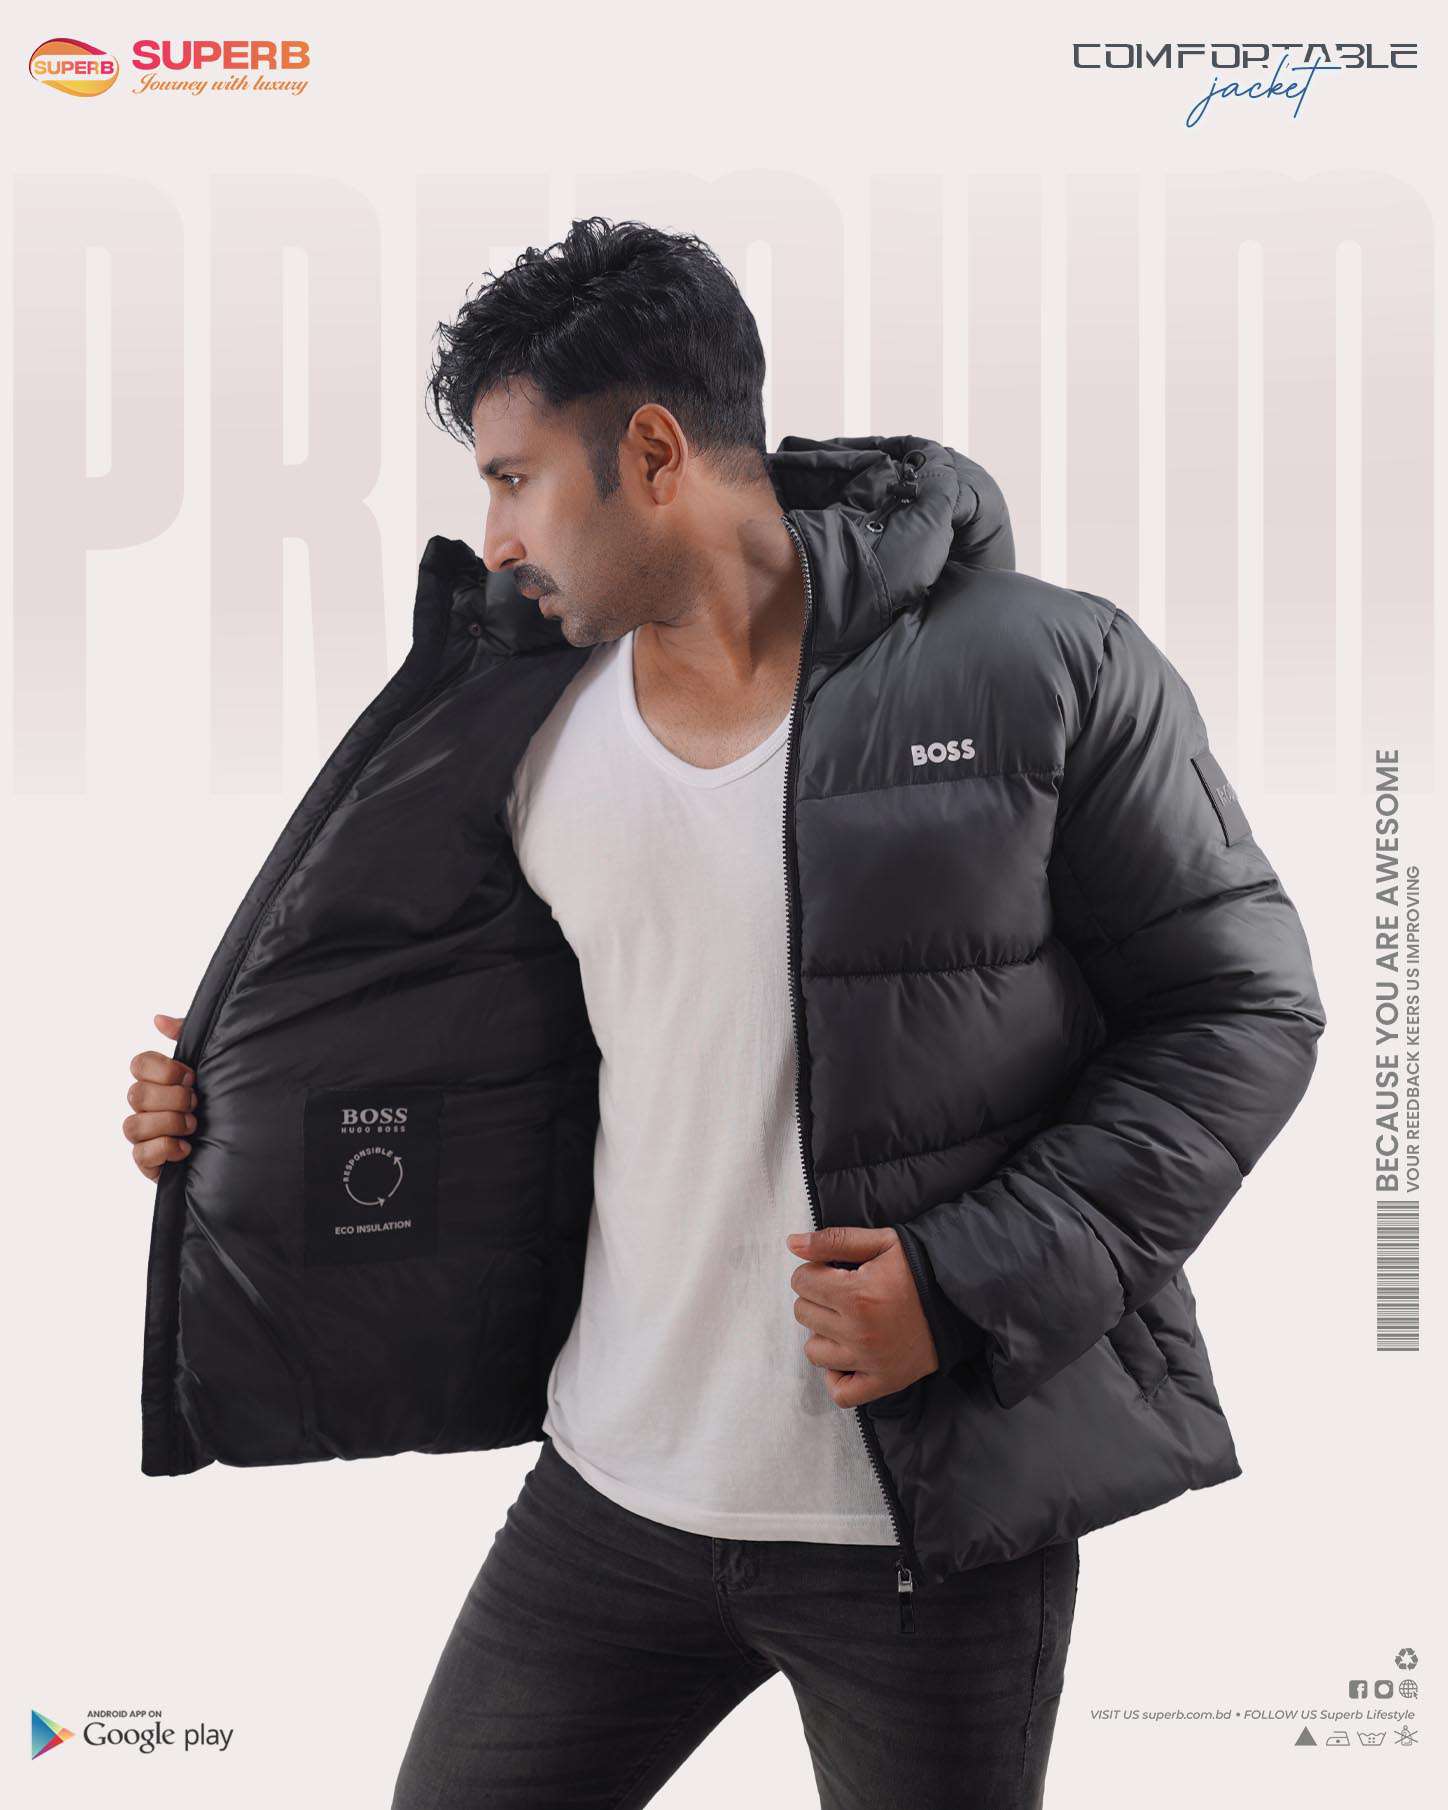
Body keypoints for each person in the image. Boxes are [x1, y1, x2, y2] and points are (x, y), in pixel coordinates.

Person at [122, 217, 1324, 1809]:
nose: (493, 537)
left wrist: (964, 1284)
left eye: (513, 477)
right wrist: (235, 1118)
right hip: (610, 1490)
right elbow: (481, 1047)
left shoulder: (1045, 670)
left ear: (652, 453)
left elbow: (1246, 1008)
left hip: (928, 1527)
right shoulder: (523, 718)